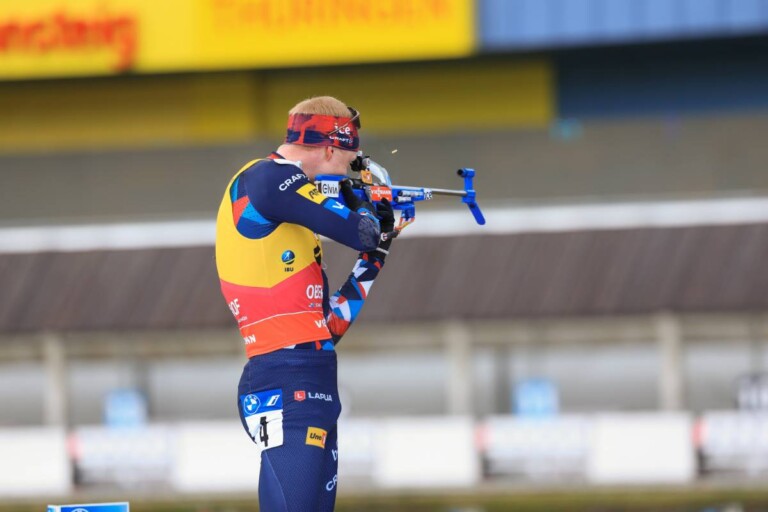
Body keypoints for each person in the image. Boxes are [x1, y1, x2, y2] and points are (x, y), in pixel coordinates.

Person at [214, 96, 394, 511]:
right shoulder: (265, 178)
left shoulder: (293, 219)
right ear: (329, 149)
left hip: (312, 377)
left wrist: (377, 255)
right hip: (283, 378)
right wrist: (369, 206)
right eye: (348, 162)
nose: (348, 172)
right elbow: (361, 231)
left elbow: (328, 327)